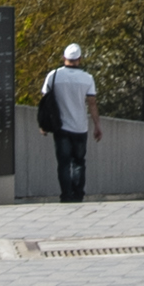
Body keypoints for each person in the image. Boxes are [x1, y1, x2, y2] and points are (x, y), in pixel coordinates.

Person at [36, 42, 104, 203]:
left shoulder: (54, 76)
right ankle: (78, 194)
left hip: (60, 126)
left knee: (64, 163)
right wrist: (97, 125)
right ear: (79, 59)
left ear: (64, 58)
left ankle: (66, 195)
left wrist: (43, 124)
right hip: (80, 127)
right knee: (79, 162)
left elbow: (45, 100)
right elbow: (92, 103)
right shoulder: (87, 78)